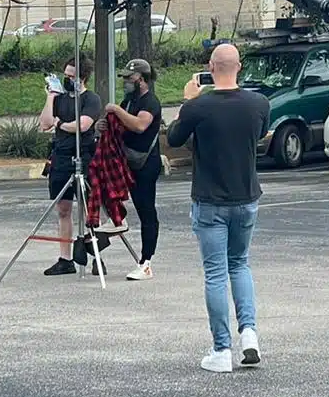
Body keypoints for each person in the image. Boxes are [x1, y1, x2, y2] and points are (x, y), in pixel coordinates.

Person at [167, 43, 270, 373]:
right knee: (240, 264)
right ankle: (250, 333)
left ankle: (221, 349)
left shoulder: (200, 106)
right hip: (246, 196)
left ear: (210, 68)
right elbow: (257, 135)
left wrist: (188, 102)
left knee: (215, 273)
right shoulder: (258, 103)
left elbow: (174, 137)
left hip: (210, 199)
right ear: (239, 67)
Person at [39, 57, 103, 276]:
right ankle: (65, 259)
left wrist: (60, 124)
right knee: (63, 208)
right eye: (65, 76)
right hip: (61, 157)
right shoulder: (60, 99)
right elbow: (45, 123)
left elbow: (83, 125)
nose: (67, 80)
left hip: (84, 157)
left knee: (89, 209)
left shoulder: (91, 99)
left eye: (71, 77)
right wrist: (51, 98)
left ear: (82, 78)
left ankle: (96, 256)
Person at [105, 58, 163, 281]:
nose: (126, 82)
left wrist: (116, 111)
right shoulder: (128, 101)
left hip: (145, 164)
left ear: (142, 79)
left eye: (130, 78)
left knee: (146, 210)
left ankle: (146, 261)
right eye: (125, 78)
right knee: (101, 185)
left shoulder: (150, 102)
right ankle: (117, 219)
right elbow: (122, 125)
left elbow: (139, 125)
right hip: (125, 161)